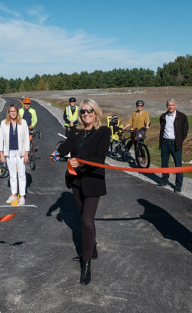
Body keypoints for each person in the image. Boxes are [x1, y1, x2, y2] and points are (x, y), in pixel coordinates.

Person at [51, 98, 111, 286]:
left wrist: (81, 162)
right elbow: (67, 146)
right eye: (83, 112)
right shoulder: (76, 131)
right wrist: (57, 153)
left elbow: (100, 157)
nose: (86, 114)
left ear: (96, 113)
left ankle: (87, 263)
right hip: (76, 181)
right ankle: (91, 248)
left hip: (92, 181)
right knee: (83, 218)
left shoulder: (103, 131)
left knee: (86, 221)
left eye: (89, 111)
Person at [0, 104, 30, 205]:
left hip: (20, 153)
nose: (13, 113)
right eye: (11, 111)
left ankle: (22, 196)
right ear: (8, 113)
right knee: (12, 175)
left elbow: (26, 139)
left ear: (17, 112)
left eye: (14, 111)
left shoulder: (23, 123)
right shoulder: (4, 123)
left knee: (21, 174)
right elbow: (1, 139)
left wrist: (26, 154)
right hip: (9, 153)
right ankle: (14, 194)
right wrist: (1, 154)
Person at [158, 98, 189, 192]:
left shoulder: (182, 116)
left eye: (172, 105)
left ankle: (178, 185)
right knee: (164, 163)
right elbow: (162, 129)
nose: (170, 107)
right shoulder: (163, 116)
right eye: (168, 105)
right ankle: (164, 180)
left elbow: (185, 131)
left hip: (175, 143)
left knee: (178, 165)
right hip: (165, 142)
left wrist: (179, 140)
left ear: (176, 105)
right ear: (166, 106)